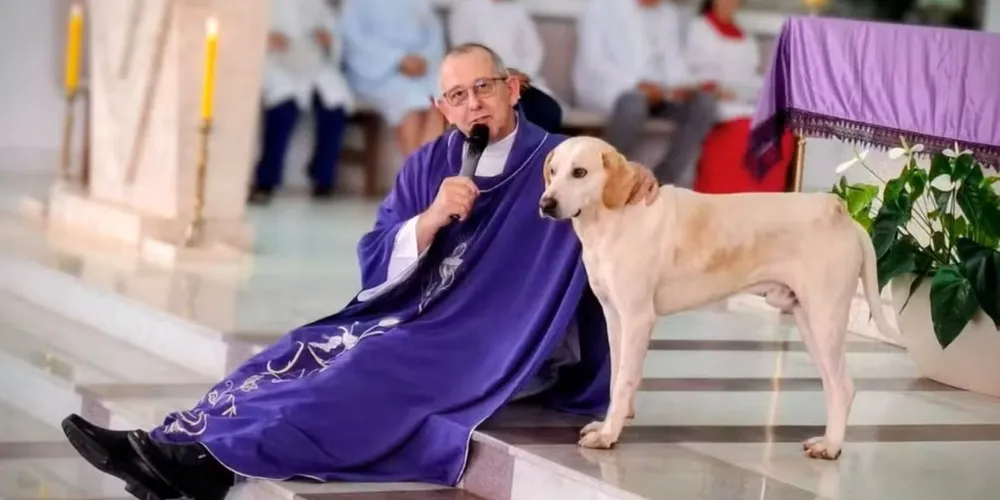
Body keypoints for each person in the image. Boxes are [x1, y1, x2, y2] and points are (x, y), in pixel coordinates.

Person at [59, 43, 660, 500]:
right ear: (441, 108)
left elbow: (620, 187)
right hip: (412, 316)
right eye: (457, 95)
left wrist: (643, 183)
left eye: (484, 87)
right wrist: (428, 221)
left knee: (366, 366)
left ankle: (208, 467)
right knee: (302, 349)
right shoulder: (429, 163)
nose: (473, 104)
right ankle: (173, 443)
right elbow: (377, 252)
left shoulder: (558, 160)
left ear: (514, 87)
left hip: (494, 340)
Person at [573, 0, 720, 187]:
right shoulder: (601, 6)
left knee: (704, 104)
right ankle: (607, 179)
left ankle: (659, 183)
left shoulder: (667, 14)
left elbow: (673, 63)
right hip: (610, 88)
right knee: (634, 103)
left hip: (658, 94)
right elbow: (594, 62)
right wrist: (636, 85)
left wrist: (684, 86)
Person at [248, 0, 354, 204]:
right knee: (283, 107)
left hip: (313, 64)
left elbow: (333, 34)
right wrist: (264, 38)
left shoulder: (317, 4)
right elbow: (243, 31)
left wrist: (328, 40)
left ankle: (323, 177)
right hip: (276, 64)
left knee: (335, 104)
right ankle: (266, 180)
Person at [687, 0, 795, 193]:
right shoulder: (699, 28)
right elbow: (689, 69)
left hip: (745, 99)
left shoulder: (745, 36)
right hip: (717, 101)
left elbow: (751, 75)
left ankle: (766, 200)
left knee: (781, 129)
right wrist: (713, 87)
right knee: (743, 130)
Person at [340, 0, 447, 157]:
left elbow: (433, 36)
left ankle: (425, 168)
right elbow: (353, 40)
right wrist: (398, 60)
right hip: (375, 73)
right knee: (410, 97)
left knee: (440, 97)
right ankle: (415, 167)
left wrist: (423, 61)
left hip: (419, 70)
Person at [447, 0, 564, 133]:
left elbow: (535, 52)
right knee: (521, 112)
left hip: (523, 82)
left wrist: (523, 75)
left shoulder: (516, 10)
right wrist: (502, 76)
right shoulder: (466, 10)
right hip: (487, 84)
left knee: (550, 110)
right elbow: (467, 56)